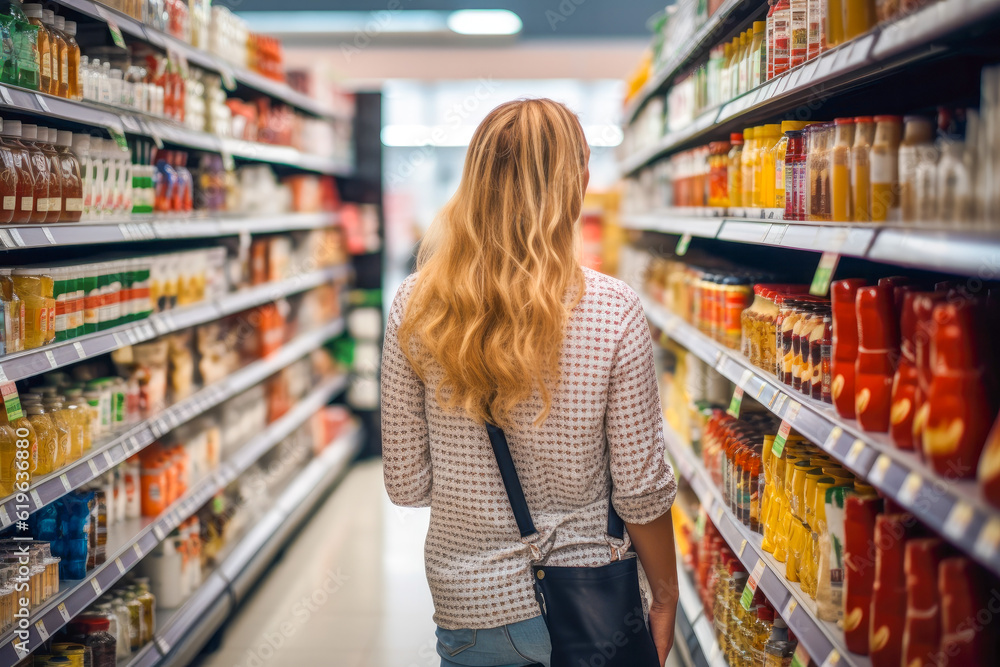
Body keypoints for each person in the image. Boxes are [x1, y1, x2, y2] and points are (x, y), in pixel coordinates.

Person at [381, 98, 678, 667]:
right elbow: (640, 489)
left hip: (471, 604)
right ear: (579, 183)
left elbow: (406, 483)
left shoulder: (415, 307)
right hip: (594, 599)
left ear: (474, 180)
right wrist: (665, 593)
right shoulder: (613, 309)